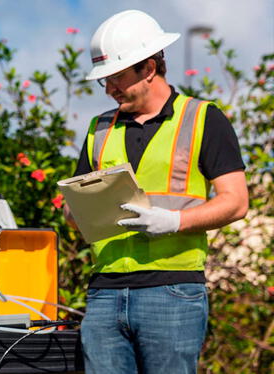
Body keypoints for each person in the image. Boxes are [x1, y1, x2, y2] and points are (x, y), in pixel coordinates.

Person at [64, 10, 248, 374]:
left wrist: (173, 221)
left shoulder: (202, 118)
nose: (108, 89)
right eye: (105, 81)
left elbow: (236, 201)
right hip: (104, 292)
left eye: (116, 78)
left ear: (149, 68)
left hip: (172, 292)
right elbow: (72, 213)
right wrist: (79, 213)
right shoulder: (99, 129)